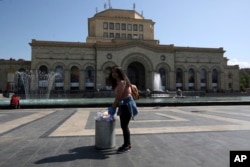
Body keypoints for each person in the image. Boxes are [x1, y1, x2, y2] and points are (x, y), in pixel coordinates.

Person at [108, 66, 138, 153]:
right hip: (124, 105)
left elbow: (118, 97)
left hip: (127, 105)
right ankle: (127, 144)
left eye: (115, 72)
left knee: (124, 126)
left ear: (120, 73)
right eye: (112, 72)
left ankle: (127, 145)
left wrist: (113, 107)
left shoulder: (122, 82)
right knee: (124, 126)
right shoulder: (121, 82)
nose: (113, 74)